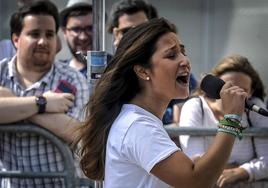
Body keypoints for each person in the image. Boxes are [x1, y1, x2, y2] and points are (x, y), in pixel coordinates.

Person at [75, 18, 248, 188]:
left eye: (183, 52)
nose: (185, 61)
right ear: (143, 71)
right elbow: (196, 182)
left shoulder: (138, 121)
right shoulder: (138, 126)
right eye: (172, 55)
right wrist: (231, 120)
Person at [0, 1, 89, 187]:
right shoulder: (0, 72)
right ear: (16, 39)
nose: (43, 41)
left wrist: (13, 105)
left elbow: (76, 132)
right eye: (34, 34)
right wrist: (42, 104)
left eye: (49, 34)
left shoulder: (72, 79)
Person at [179, 55, 268, 187]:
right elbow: (194, 162)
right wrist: (235, 166)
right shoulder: (195, 106)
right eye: (228, 88)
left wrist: (243, 171)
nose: (235, 94)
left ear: (251, 92)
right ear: (214, 87)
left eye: (243, 90)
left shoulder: (255, 107)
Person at [60, 0, 93, 76]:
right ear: (64, 32)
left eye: (90, 28)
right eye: (76, 29)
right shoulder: (56, 73)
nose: (83, 37)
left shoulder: (115, 70)